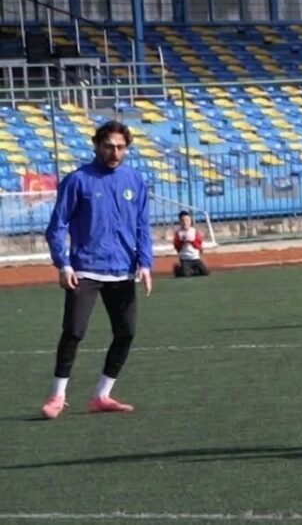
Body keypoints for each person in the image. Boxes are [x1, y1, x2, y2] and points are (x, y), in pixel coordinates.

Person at [41, 120, 153, 419]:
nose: (115, 152)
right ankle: (57, 396)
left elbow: (142, 225)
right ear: (96, 145)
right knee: (74, 332)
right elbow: (57, 226)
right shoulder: (78, 180)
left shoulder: (134, 180)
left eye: (120, 147)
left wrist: (145, 263)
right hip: (85, 269)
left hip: (123, 270)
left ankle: (102, 395)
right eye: (109, 146)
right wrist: (63, 264)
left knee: (126, 332)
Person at [173, 210, 210, 277]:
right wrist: (182, 242)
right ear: (180, 222)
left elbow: (199, 245)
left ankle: (194, 270)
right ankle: (179, 270)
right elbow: (177, 247)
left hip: (195, 258)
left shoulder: (194, 231)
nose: (185, 223)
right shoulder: (178, 233)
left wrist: (192, 242)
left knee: (205, 272)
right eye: (182, 221)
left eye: (187, 220)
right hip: (185, 259)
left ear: (190, 221)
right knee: (185, 274)